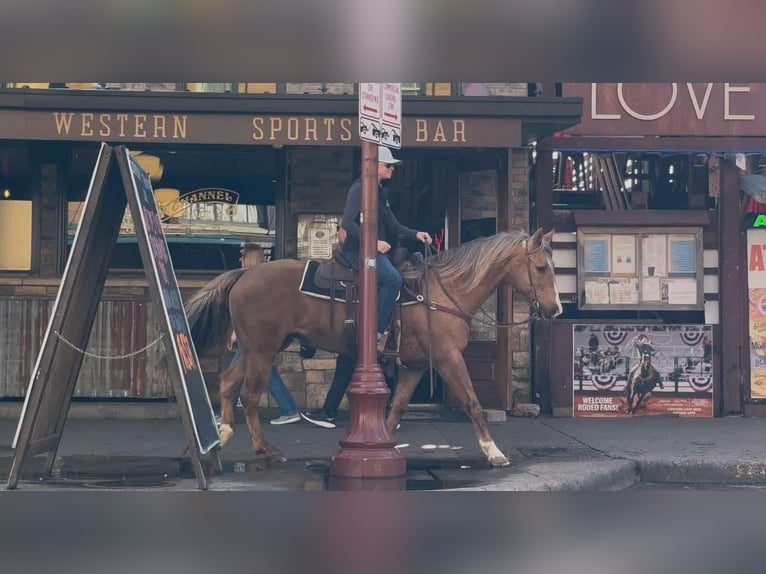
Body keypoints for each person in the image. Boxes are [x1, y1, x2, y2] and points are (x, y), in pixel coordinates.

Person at [340, 146, 432, 349]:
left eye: (393, 166)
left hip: (372, 250)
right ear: (374, 166)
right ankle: (375, 333)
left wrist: (416, 234)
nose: (392, 169)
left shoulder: (379, 192)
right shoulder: (359, 188)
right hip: (358, 251)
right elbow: (347, 223)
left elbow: (394, 225)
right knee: (393, 279)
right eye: (388, 165)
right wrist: (373, 243)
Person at [217, 243, 300, 425]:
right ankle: (288, 409)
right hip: (262, 333)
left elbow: (250, 313)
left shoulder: (252, 282)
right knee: (253, 367)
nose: (240, 259)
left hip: (255, 334)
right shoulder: (265, 281)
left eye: (243, 256)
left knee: (241, 368)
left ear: (249, 258)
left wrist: (235, 334)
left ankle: (225, 412)